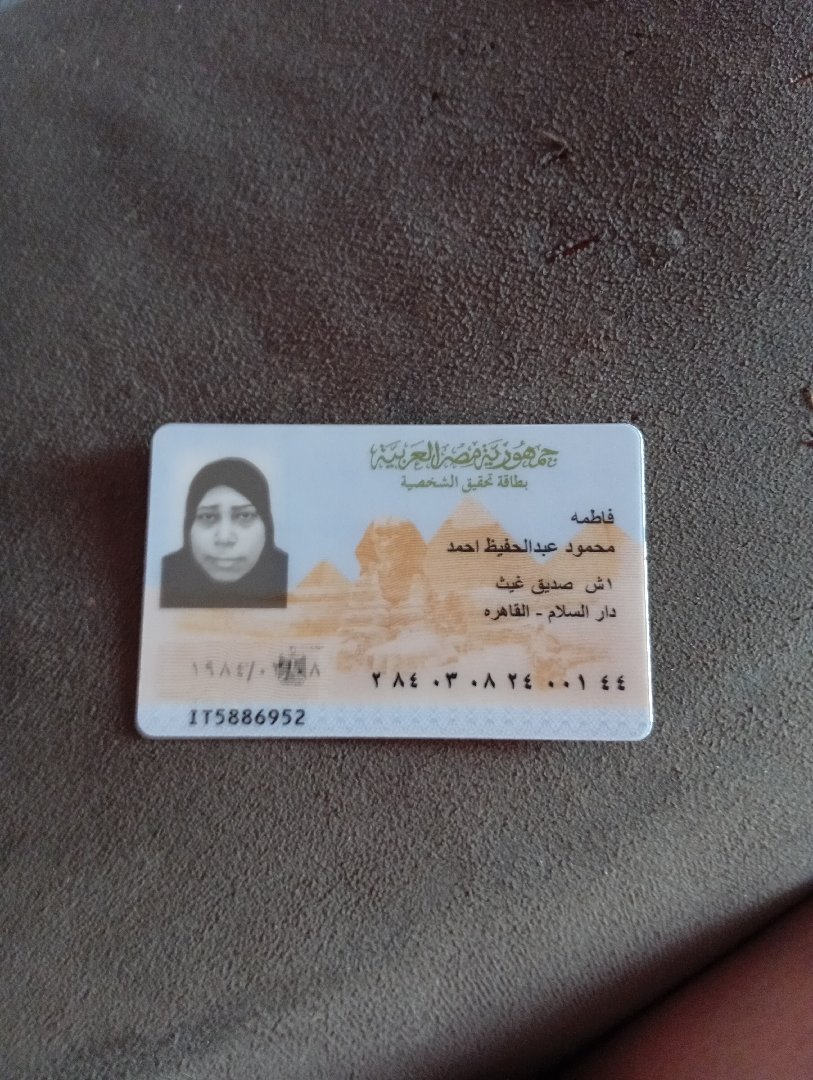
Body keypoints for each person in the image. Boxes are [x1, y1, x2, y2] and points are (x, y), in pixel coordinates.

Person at [160, 458, 287, 608]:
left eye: (244, 516)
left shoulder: (291, 576)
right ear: (188, 525)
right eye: (208, 517)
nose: (224, 538)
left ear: (267, 525)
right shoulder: (167, 575)